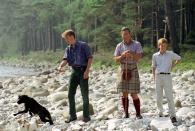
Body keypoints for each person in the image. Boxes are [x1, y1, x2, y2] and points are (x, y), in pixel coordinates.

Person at [58, 29, 93, 123]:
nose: (66, 41)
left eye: (67, 38)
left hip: (83, 71)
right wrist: (60, 66)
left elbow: (90, 58)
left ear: (71, 36)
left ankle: (86, 116)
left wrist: (87, 71)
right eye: (65, 39)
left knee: (84, 95)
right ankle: (72, 116)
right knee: (70, 94)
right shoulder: (68, 49)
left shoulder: (83, 45)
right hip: (74, 71)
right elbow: (65, 60)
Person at [114, 27, 143, 119]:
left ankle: (138, 114)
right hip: (123, 69)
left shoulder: (137, 44)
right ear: (121, 35)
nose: (125, 35)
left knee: (134, 93)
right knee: (124, 93)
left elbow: (138, 57)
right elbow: (115, 60)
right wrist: (122, 56)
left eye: (126, 33)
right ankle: (126, 113)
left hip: (133, 69)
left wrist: (131, 53)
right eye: (123, 34)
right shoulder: (119, 46)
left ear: (130, 34)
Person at [152, 38, 181, 123]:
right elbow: (153, 67)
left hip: (167, 76)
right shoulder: (155, 55)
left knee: (169, 97)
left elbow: (179, 58)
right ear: (159, 46)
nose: (163, 47)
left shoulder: (170, 54)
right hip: (158, 77)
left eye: (164, 46)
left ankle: (173, 116)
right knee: (158, 97)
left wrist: (173, 66)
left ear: (166, 46)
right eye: (161, 45)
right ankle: (160, 113)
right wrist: (154, 78)